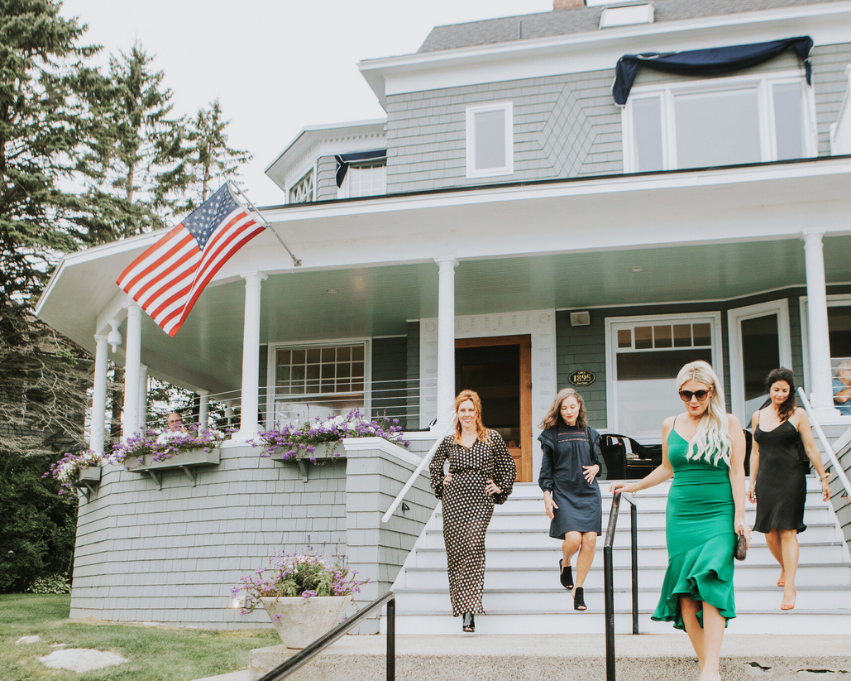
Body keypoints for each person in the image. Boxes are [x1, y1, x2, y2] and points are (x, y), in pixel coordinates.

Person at [612, 361, 749, 681]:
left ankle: (711, 670)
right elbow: (667, 469)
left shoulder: (728, 423)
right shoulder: (670, 424)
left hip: (719, 512)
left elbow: (737, 470)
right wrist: (634, 485)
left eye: (699, 393)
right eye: (685, 394)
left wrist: (740, 517)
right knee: (686, 595)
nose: (693, 400)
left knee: (711, 580)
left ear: (711, 390)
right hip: (681, 516)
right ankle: (709, 669)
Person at [429, 389, 516, 633]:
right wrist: (442, 481)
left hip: (480, 500)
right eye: (462, 410)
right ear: (457, 413)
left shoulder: (491, 438)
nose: (466, 414)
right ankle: (465, 609)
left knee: (473, 544)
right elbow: (434, 465)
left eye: (470, 409)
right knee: (457, 552)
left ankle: (470, 608)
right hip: (454, 501)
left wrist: (499, 486)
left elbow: (508, 466)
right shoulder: (449, 441)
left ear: (477, 412)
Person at [747, 367, 832, 611]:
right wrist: (751, 481)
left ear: (790, 391)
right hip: (766, 479)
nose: (781, 394)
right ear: (769, 390)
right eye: (776, 390)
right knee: (769, 532)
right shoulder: (758, 416)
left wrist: (823, 477)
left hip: (791, 478)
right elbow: (755, 452)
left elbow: (812, 449)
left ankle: (789, 587)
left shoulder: (798, 415)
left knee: (787, 531)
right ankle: (785, 566)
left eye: (785, 390)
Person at [538, 388, 602, 611]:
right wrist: (547, 495)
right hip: (565, 493)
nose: (568, 411)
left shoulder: (590, 433)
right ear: (559, 410)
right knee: (574, 540)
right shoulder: (551, 435)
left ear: (579, 407)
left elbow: (598, 463)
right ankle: (565, 563)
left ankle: (579, 589)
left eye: (572, 407)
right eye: (564, 408)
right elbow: (546, 471)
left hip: (589, 493)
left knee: (591, 540)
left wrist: (596, 467)